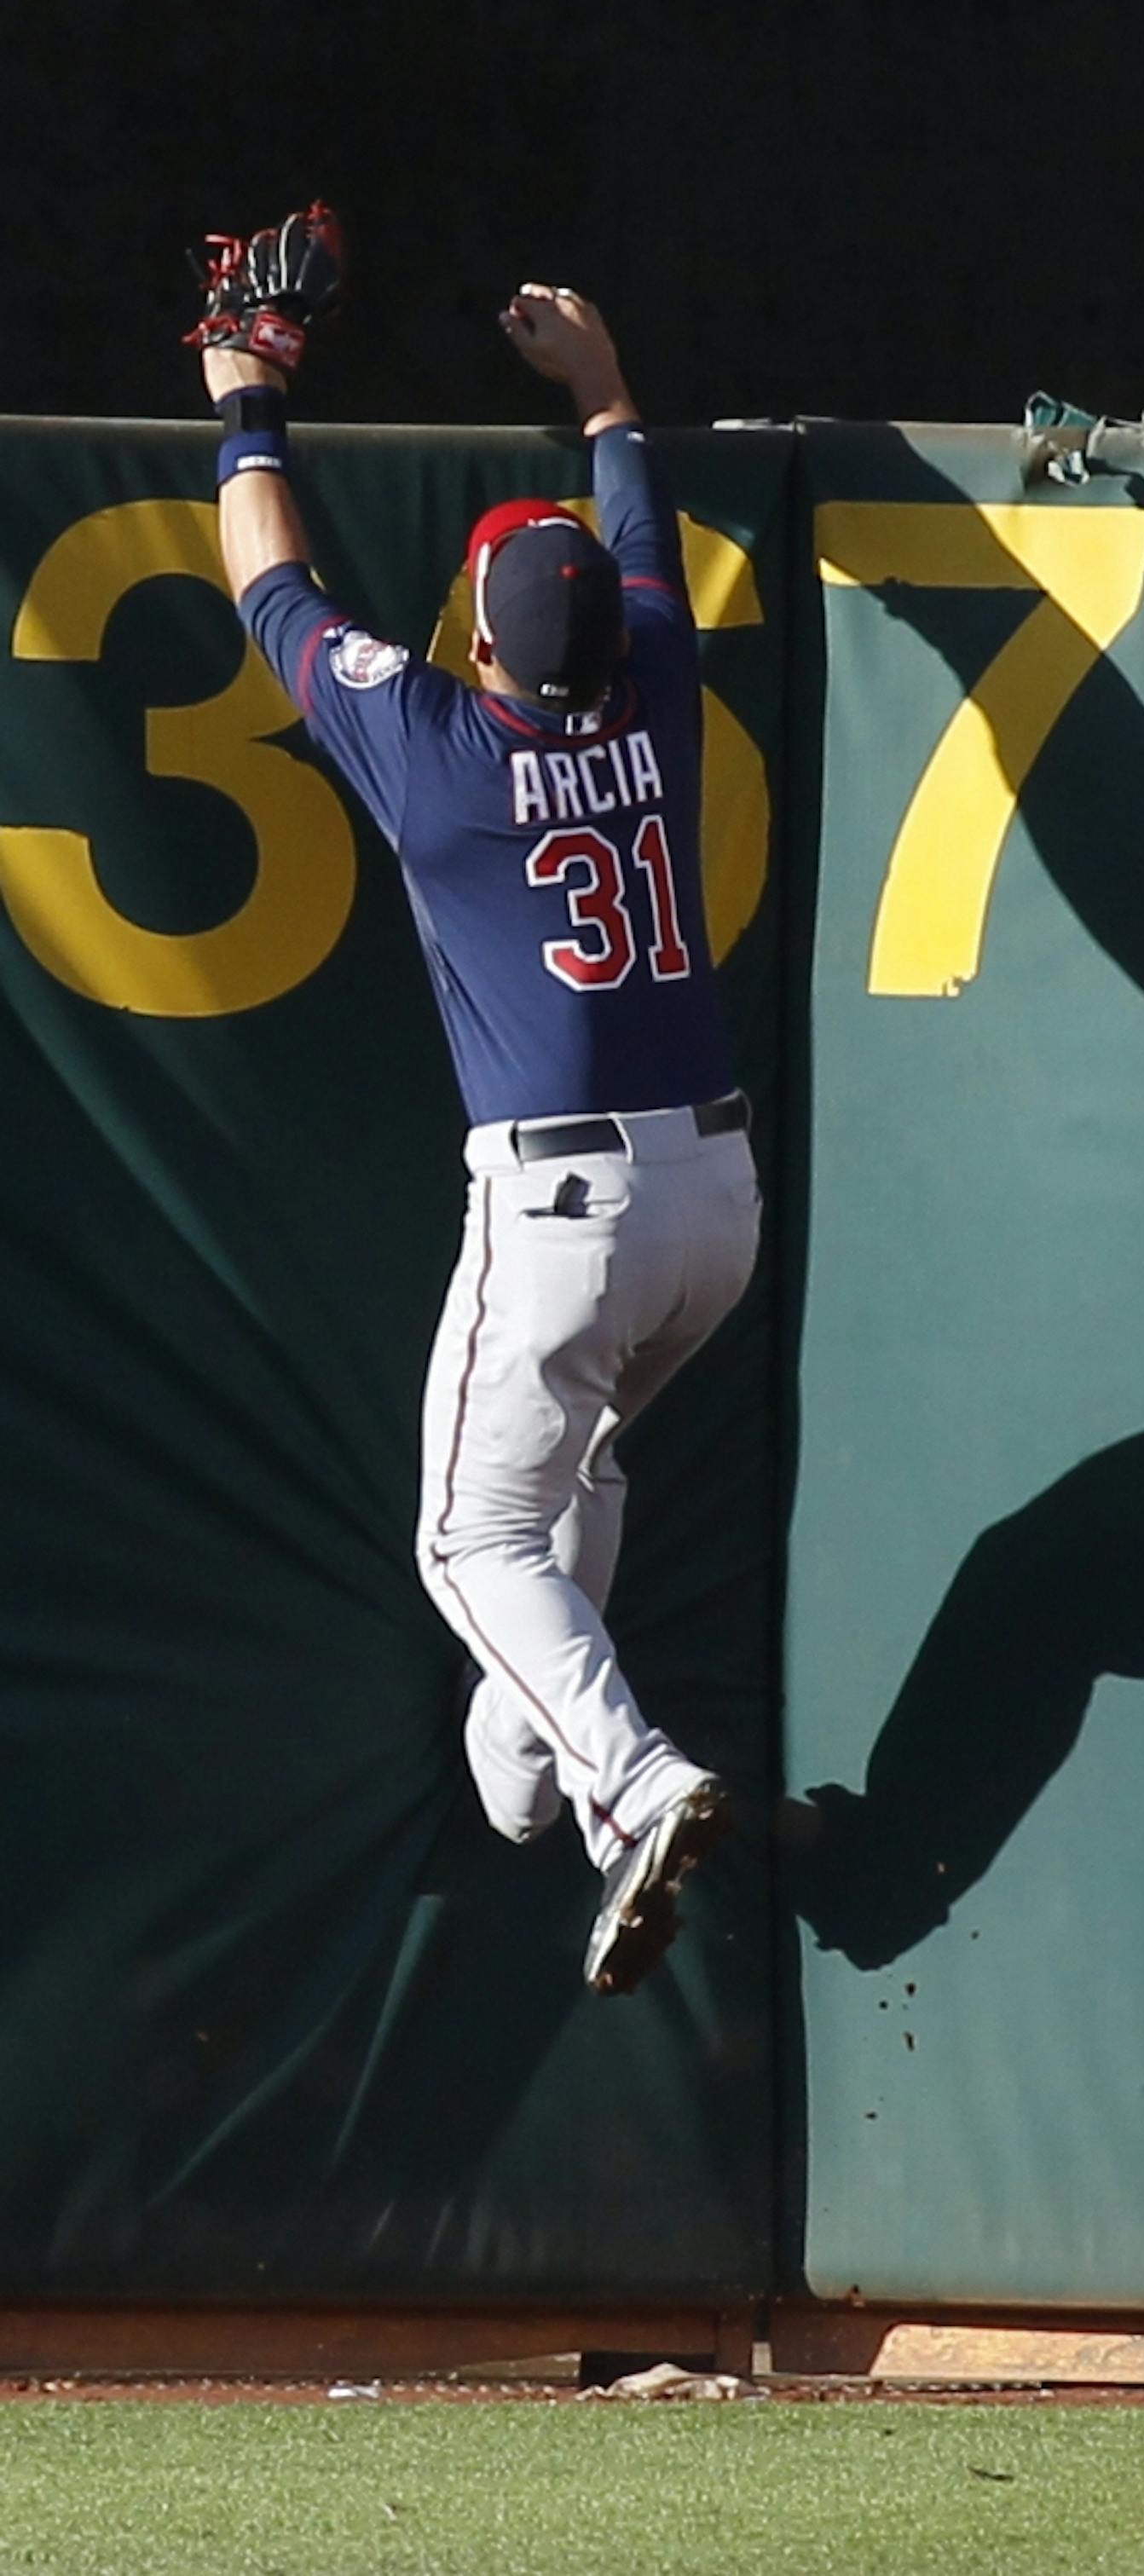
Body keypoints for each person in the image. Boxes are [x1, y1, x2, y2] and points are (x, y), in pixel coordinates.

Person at [194, 245, 759, 1996]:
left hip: (568, 1209)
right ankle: (538, 1782)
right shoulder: (657, 688)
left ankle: (633, 1777)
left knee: (472, 1536)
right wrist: (604, 394)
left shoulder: (441, 749)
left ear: (480, 639)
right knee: (569, 1462)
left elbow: (269, 575)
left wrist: (244, 387)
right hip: (716, 1203)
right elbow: (641, 546)